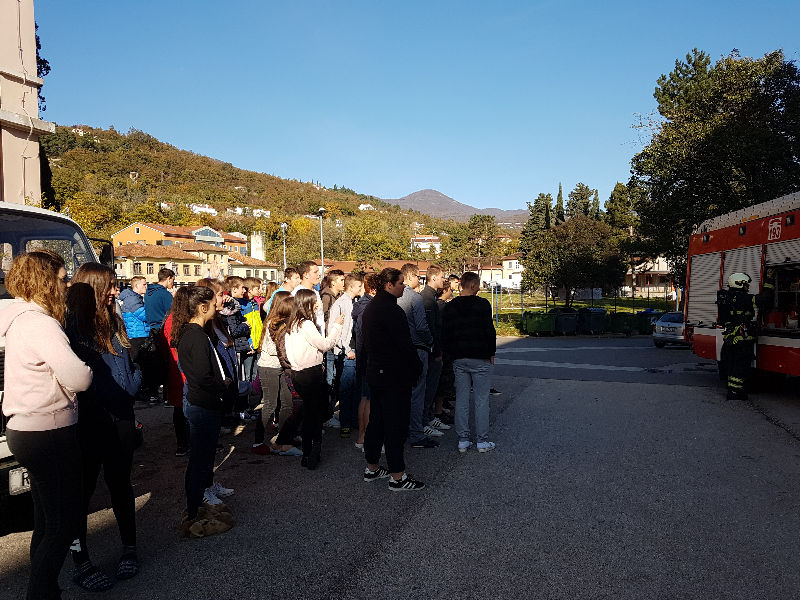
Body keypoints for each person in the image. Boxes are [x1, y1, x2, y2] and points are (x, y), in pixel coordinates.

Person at [0, 251, 92, 600]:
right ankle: (40, 592)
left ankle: (45, 589)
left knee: (46, 519)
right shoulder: (41, 324)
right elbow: (79, 377)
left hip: (26, 430)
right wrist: (87, 371)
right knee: (64, 523)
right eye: (63, 278)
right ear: (45, 282)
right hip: (48, 430)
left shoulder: (20, 318)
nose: (67, 285)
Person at [66, 264, 142, 590]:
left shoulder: (114, 320)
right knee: (80, 495)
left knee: (121, 486)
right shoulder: (71, 328)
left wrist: (134, 385)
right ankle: (80, 562)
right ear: (93, 287)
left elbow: (128, 365)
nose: (115, 292)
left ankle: (130, 548)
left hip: (121, 418)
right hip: (88, 423)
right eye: (110, 286)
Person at [173, 286, 234, 522]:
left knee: (204, 457)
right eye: (213, 303)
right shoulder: (195, 336)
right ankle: (195, 508)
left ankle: (200, 498)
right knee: (200, 459)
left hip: (204, 403)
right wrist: (223, 385)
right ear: (202, 307)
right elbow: (201, 377)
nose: (217, 306)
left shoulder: (196, 332)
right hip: (202, 404)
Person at [361, 268, 425, 491]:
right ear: (389, 284)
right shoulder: (390, 310)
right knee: (395, 425)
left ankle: (372, 467)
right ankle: (398, 477)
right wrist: (417, 367)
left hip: (377, 373)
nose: (404, 287)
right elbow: (404, 345)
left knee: (377, 421)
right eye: (400, 283)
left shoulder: (372, 307)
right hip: (393, 375)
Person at [284, 288, 343, 469]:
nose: (317, 304)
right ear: (307, 303)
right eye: (314, 301)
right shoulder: (306, 324)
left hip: (298, 373)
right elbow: (325, 344)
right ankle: (312, 453)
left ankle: (307, 452)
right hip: (310, 374)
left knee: (309, 413)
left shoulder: (292, 324)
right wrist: (337, 327)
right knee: (314, 415)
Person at [441, 271, 497, 453]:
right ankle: (482, 440)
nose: (479, 288)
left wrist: (450, 354)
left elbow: (446, 333)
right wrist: (491, 352)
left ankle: (463, 440)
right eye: (478, 285)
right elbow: (489, 330)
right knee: (481, 400)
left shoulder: (450, 307)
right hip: (480, 356)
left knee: (462, 399)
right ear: (472, 285)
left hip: (459, 357)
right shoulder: (483, 304)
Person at [253, 291, 301, 456]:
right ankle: (258, 441)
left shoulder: (284, 322)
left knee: (287, 403)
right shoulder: (272, 323)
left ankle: (283, 438)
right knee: (270, 404)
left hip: (281, 368)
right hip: (269, 367)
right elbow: (272, 349)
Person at [396, 263, 437, 448]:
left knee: (401, 392)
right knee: (417, 393)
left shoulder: (392, 297)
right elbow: (421, 326)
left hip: (398, 350)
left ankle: (402, 430)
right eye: (418, 277)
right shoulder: (415, 298)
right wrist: (430, 342)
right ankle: (417, 434)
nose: (419, 281)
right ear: (411, 276)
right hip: (417, 348)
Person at [329, 273, 364, 438]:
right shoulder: (342, 303)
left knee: (355, 388)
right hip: (346, 352)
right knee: (346, 389)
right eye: (359, 286)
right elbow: (336, 329)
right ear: (351, 287)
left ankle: (353, 420)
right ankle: (345, 423)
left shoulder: (353, 302)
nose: (361, 288)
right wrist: (346, 348)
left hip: (353, 351)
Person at [158, 287, 191, 457]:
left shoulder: (170, 319)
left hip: (174, 367)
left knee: (179, 408)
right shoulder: (183, 321)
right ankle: (186, 442)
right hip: (182, 368)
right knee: (185, 408)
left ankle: (182, 443)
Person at [419, 264, 452, 430]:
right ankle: (425, 421)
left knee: (432, 387)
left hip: (433, 349)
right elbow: (429, 328)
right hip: (431, 351)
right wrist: (436, 349)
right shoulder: (427, 299)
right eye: (441, 277)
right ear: (433, 278)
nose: (443, 280)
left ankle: (428, 417)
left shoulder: (430, 297)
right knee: (429, 387)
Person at [718, 272, 758, 400]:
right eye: (746, 284)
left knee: (733, 365)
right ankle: (735, 392)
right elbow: (764, 300)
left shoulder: (728, 297)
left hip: (731, 339)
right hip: (740, 340)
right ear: (739, 284)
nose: (748, 286)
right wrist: (769, 282)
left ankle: (733, 391)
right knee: (740, 367)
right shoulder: (743, 298)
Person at [352, 272, 378, 449]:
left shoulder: (361, 305)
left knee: (365, 397)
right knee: (369, 399)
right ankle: (365, 437)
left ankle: (362, 437)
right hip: (369, 358)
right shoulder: (368, 307)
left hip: (363, 357)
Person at [142, 268, 175, 402]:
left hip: (152, 330)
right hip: (164, 331)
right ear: (168, 278)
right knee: (167, 363)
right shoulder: (165, 295)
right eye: (173, 280)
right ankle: (168, 395)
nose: (173, 283)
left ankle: (153, 393)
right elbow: (172, 313)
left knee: (154, 362)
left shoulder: (148, 293)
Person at [119, 276, 149, 362]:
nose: (146, 286)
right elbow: (144, 315)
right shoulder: (132, 299)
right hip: (137, 335)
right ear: (136, 286)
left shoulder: (135, 297)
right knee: (140, 361)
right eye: (144, 284)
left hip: (138, 333)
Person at [292, 261, 324, 332]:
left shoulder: (316, 292)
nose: (319, 274)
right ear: (306, 275)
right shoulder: (297, 293)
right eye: (315, 272)